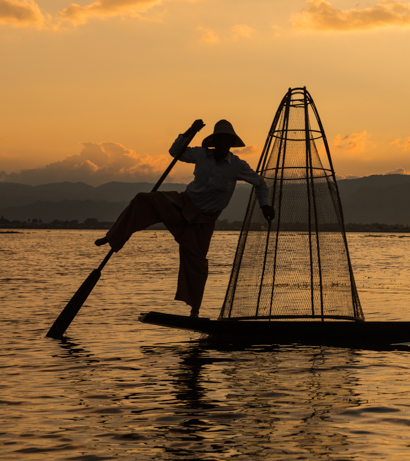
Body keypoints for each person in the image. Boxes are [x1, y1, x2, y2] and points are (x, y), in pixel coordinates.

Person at [95, 119, 275, 318]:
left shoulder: (237, 166)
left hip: (204, 221)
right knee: (143, 200)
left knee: (196, 263)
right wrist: (191, 130)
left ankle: (194, 311)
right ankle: (113, 237)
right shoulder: (201, 154)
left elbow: (260, 183)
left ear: (230, 144)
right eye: (220, 140)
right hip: (182, 204)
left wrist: (264, 205)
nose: (223, 145)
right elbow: (175, 151)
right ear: (214, 142)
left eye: (227, 141)